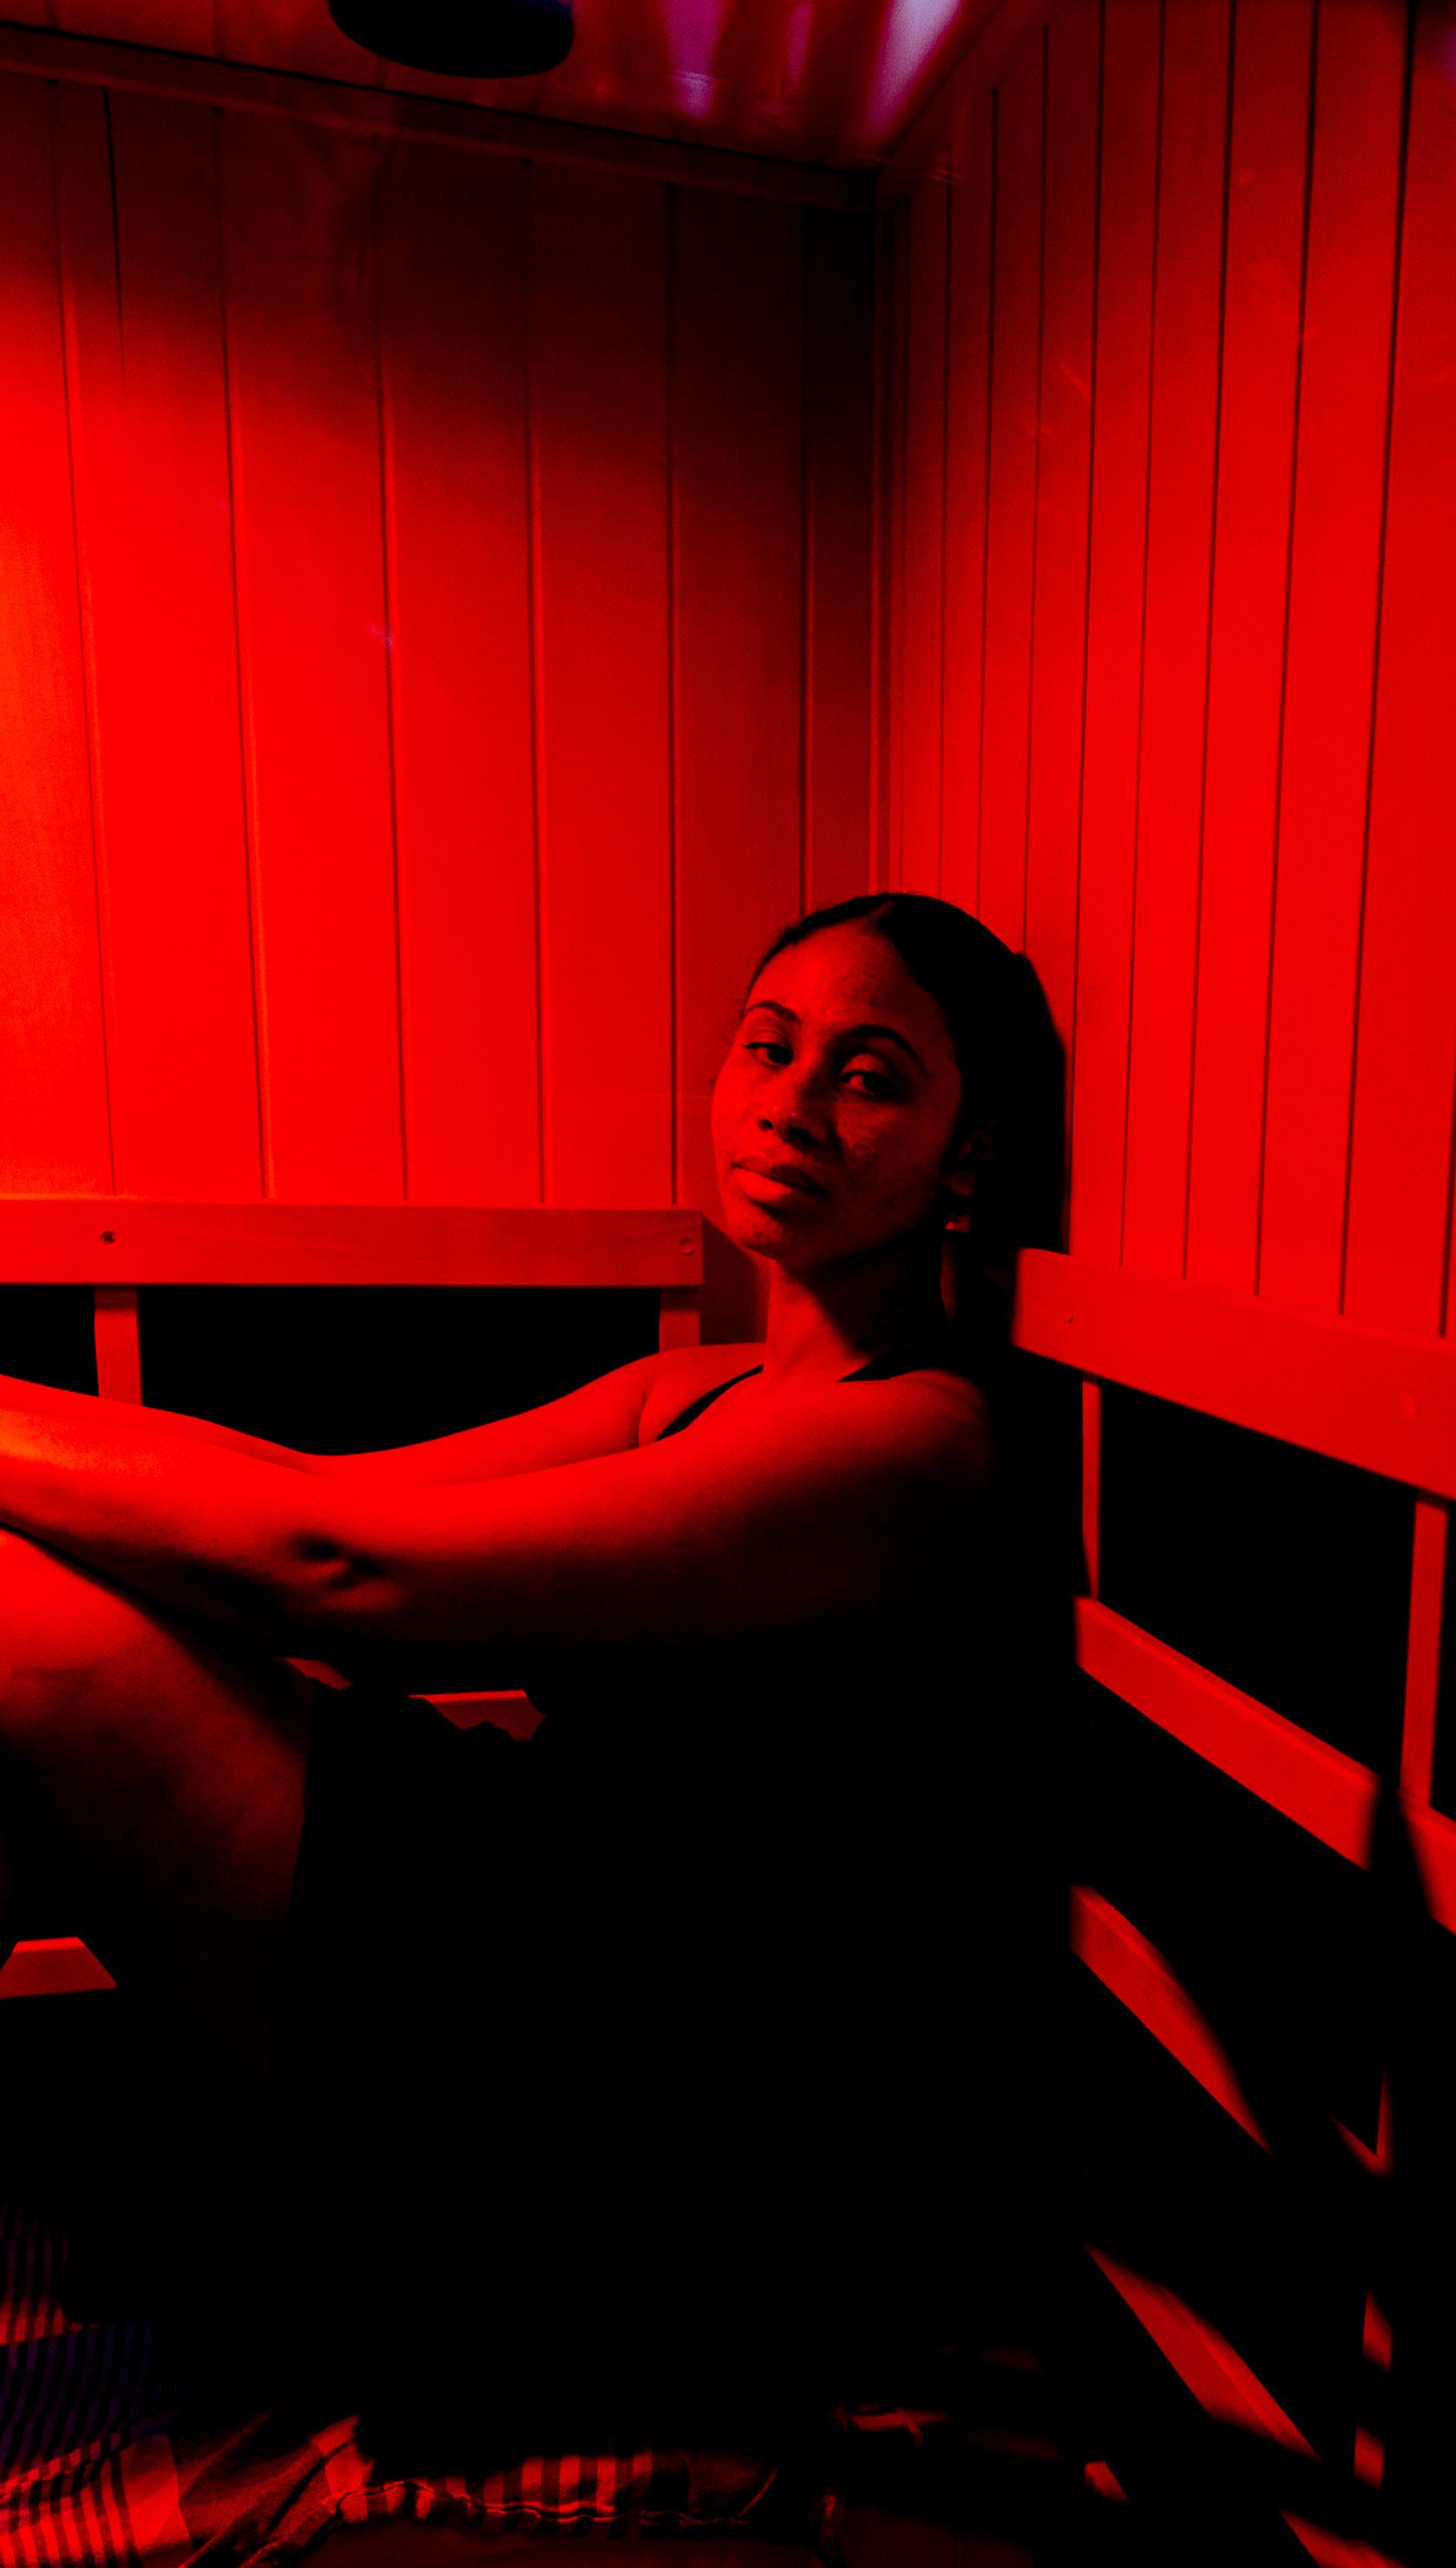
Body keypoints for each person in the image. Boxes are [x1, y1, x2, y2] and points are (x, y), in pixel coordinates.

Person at [0, 895, 1070, 2472]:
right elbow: (323, 1493)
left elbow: (350, 1583)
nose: (791, 1100)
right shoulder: (691, 1395)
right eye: (767, 1048)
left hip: (629, 2082)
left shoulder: (921, 1445)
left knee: (17, 1619)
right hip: (530, 1933)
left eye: (871, 1074)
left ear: (964, 1154)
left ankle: (410, 2267)